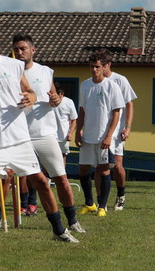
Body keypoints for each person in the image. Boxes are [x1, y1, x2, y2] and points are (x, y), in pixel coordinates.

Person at [0, 26, 79, 243]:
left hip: (18, 136)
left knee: (42, 182)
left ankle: (59, 230)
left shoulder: (14, 65)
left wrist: (32, 98)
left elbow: (30, 91)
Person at [12, 33, 85, 233]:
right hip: (19, 135)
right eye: (16, 49)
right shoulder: (8, 71)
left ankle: (72, 220)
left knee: (60, 177)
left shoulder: (45, 71)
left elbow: (53, 96)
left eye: (23, 48)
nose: (19, 52)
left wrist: (55, 100)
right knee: (15, 178)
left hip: (45, 133)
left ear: (33, 50)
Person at [76, 50, 125, 217]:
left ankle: (102, 206)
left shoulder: (112, 86)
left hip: (104, 137)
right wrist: (78, 131)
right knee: (83, 170)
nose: (94, 70)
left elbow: (117, 113)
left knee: (104, 171)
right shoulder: (85, 85)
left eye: (97, 67)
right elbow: (81, 111)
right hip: (87, 136)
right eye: (91, 66)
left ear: (104, 67)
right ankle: (90, 203)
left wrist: (109, 136)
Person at [97, 48, 137, 211]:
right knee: (99, 167)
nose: (98, 69)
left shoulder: (120, 80)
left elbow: (129, 105)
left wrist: (127, 127)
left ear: (108, 65)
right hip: (99, 131)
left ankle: (121, 195)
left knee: (117, 166)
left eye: (101, 65)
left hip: (117, 132)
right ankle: (101, 202)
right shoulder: (94, 81)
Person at [53, 82, 78, 166]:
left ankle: (61, 176)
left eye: (56, 94)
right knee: (49, 157)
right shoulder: (48, 101)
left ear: (61, 94)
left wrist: (70, 133)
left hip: (63, 136)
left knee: (62, 156)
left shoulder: (69, 102)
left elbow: (74, 119)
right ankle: (48, 178)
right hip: (50, 135)